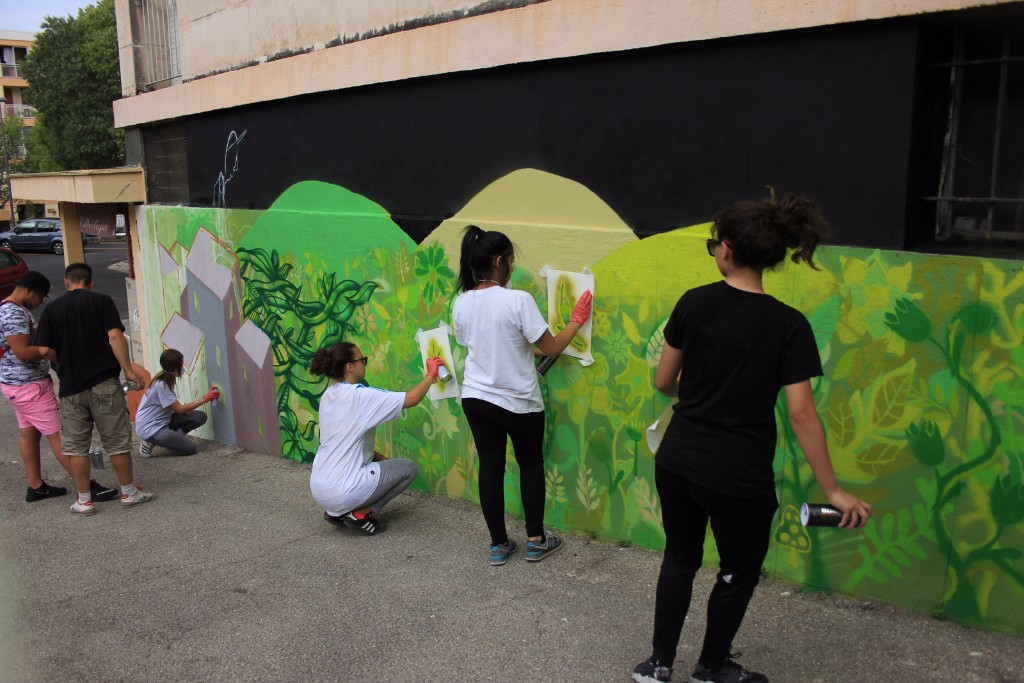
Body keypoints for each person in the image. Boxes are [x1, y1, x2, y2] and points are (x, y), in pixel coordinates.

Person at [632, 192, 873, 683]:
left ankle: (658, 666)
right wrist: (833, 491)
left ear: (724, 249)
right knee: (737, 572)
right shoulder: (789, 325)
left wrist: (703, 387)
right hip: (738, 475)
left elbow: (663, 382)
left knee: (680, 558)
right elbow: (802, 415)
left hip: (678, 460)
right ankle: (710, 667)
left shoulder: (693, 302)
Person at [452, 225, 592, 566]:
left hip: (476, 398)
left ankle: (498, 545)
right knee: (530, 464)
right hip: (519, 402)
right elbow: (550, 347)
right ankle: (535, 540)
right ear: (500, 261)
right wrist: (575, 321)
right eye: (511, 261)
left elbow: (479, 343)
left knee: (491, 467)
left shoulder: (462, 302)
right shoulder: (517, 300)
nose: (512, 267)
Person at [35, 262, 153, 515]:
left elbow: (43, 350)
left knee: (76, 446)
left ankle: (84, 500)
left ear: (67, 283)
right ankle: (129, 492)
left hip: (70, 388)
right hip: (103, 383)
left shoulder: (52, 309)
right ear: (90, 283)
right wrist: (128, 369)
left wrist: (63, 361)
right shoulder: (101, 301)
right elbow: (114, 335)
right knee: (117, 442)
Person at [1, 271, 119, 503]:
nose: (40, 303)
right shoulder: (13, 313)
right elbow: (23, 352)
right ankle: (86, 486)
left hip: (16, 384)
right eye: (40, 297)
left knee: (29, 434)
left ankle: (36, 486)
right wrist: (49, 352)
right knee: (60, 437)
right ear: (29, 292)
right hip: (29, 386)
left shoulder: (7, 308)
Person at [309, 341, 443, 535]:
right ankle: (361, 514)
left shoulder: (329, 396)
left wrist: (383, 462)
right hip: (343, 490)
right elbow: (412, 399)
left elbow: (347, 443)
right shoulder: (360, 396)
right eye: (362, 359)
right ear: (350, 366)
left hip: (319, 488)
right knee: (408, 468)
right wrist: (431, 374)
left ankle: (337, 513)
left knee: (392, 468)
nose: (365, 362)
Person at [135, 349, 219, 457]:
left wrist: (185, 411)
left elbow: (173, 405)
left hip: (163, 420)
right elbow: (179, 409)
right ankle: (150, 441)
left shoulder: (164, 380)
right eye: (181, 365)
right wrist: (205, 398)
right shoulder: (161, 385)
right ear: (175, 368)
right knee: (190, 448)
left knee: (199, 416)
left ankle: (172, 443)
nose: (183, 367)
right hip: (150, 428)